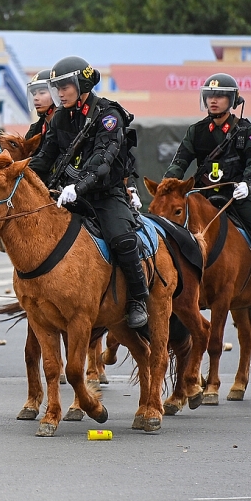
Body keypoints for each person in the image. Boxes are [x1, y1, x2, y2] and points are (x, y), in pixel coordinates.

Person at [29, 56, 149, 328]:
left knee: (123, 240)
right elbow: (44, 158)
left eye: (65, 86)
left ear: (81, 84)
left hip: (105, 196)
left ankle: (138, 299)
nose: (59, 93)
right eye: (56, 87)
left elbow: (102, 163)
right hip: (68, 195)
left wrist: (77, 187)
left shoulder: (109, 116)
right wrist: (16, 175)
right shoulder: (60, 117)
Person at [164, 73, 251, 305]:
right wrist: (167, 185)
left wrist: (248, 184)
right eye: (210, 95)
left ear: (232, 101)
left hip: (237, 197)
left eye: (221, 96)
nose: (213, 100)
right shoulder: (196, 131)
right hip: (203, 198)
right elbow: (179, 162)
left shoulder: (246, 131)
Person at [24, 70, 56, 142]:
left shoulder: (70, 126)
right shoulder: (34, 131)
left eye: (42, 92)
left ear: (56, 94)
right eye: (34, 94)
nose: (35, 98)